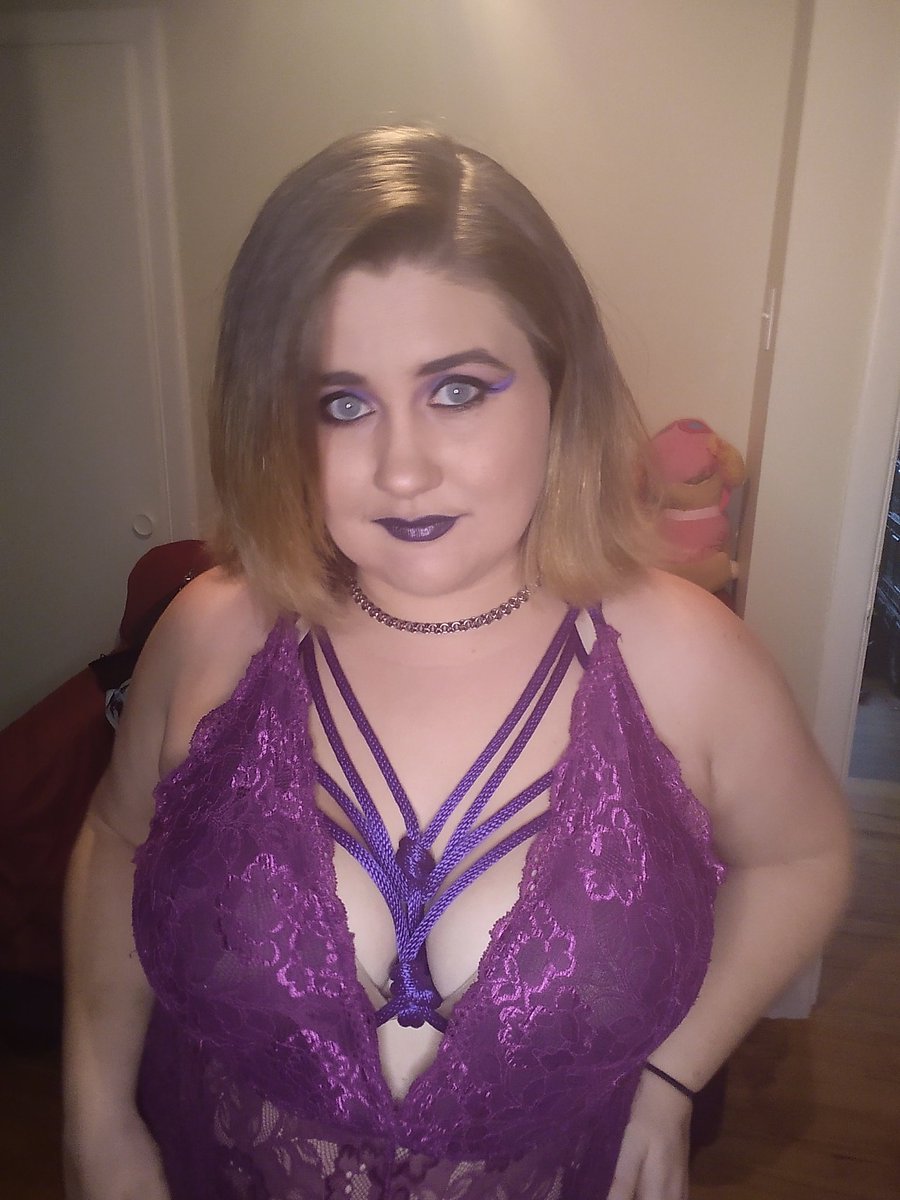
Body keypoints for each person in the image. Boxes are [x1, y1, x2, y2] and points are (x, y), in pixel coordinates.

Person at [62, 126, 852, 1200]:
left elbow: (804, 854)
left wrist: (674, 1074)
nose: (403, 468)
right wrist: (99, 1119)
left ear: (559, 387)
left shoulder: (687, 658)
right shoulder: (212, 632)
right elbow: (118, 837)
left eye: (458, 389)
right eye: (341, 403)